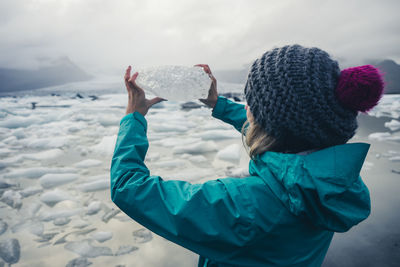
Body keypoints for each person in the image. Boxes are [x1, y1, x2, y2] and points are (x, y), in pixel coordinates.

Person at [110, 44, 385, 267]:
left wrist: (134, 117)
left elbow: (128, 188)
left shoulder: (242, 206)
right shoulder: (329, 185)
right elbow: (281, 126)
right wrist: (217, 104)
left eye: (250, 102)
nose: (248, 108)